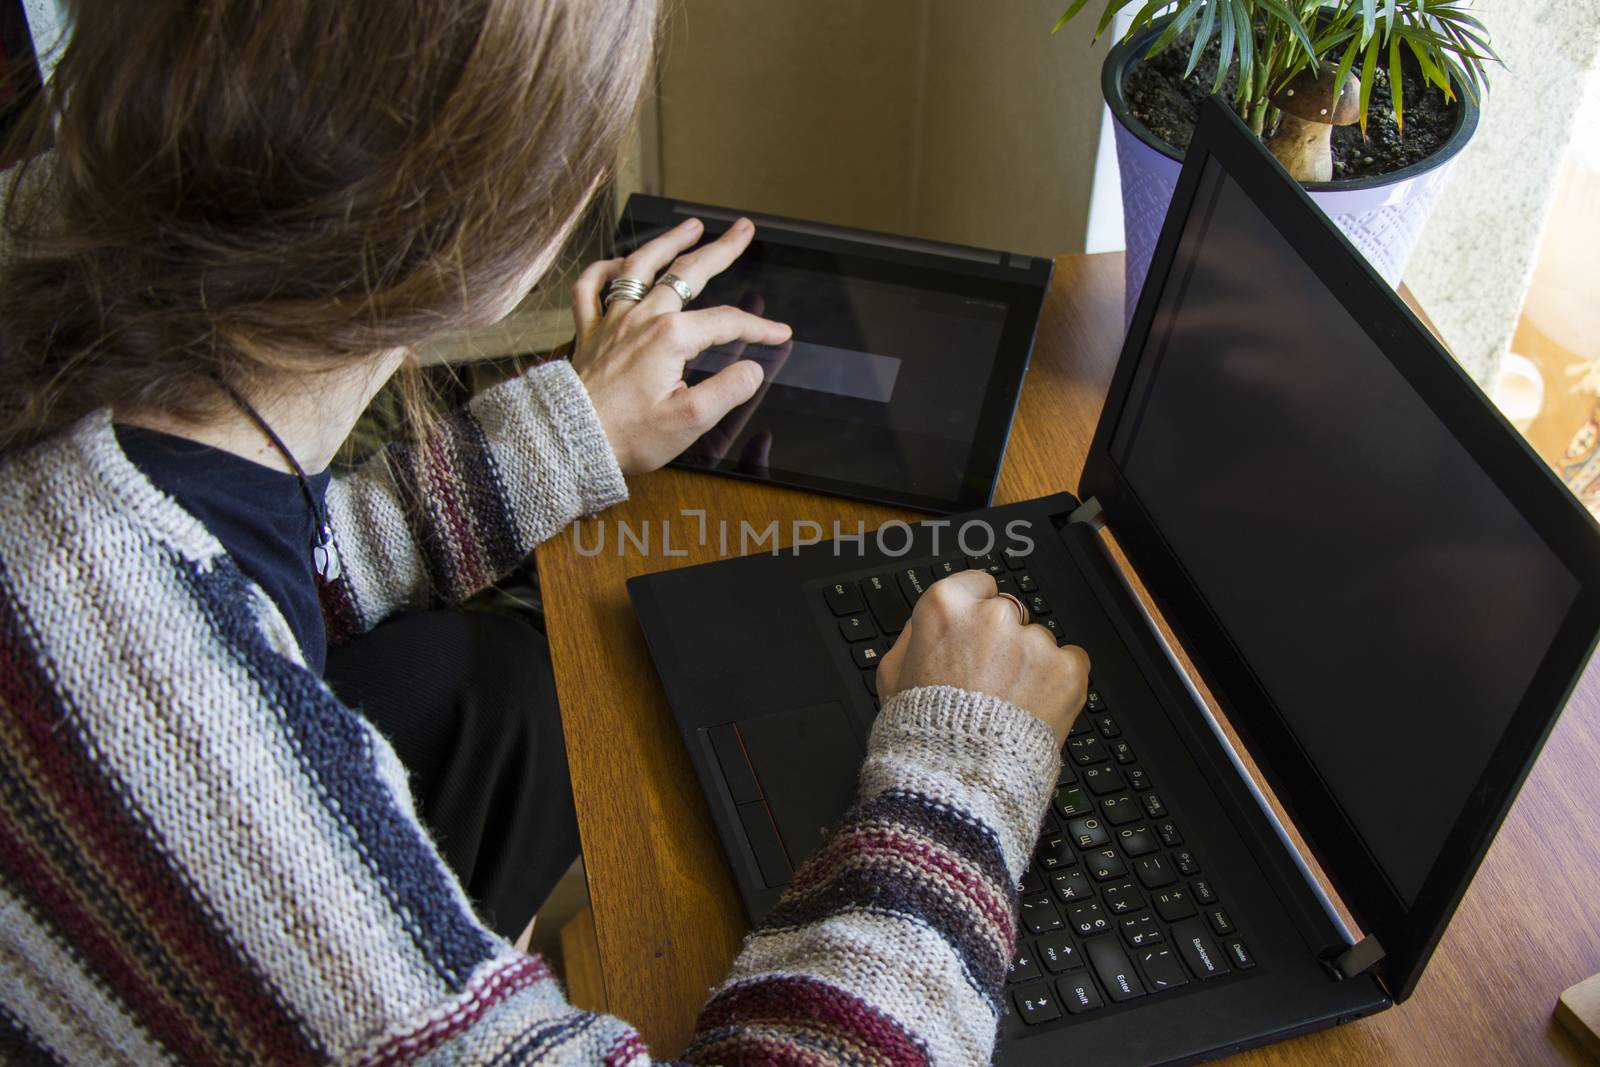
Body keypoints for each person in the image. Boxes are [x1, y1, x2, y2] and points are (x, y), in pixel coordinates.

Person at [0, 1, 1090, 1064]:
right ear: (495, 229)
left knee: (500, 688)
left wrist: (561, 436)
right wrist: (961, 769)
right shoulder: (197, 779)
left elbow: (260, 558)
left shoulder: (92, 421)